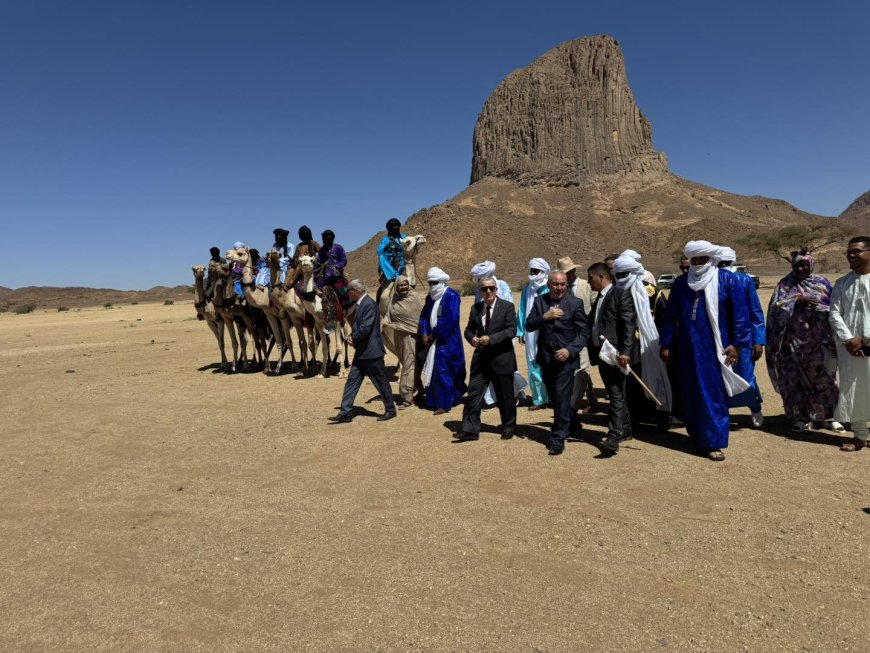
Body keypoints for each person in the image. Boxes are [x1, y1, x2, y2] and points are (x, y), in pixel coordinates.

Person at [660, 241, 751, 461]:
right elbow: (670, 316)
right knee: (691, 393)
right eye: (694, 259)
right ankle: (697, 434)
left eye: (702, 259)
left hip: (716, 349)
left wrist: (737, 344)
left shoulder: (728, 280)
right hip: (687, 349)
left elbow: (741, 316)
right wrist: (666, 344)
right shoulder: (682, 284)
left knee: (713, 394)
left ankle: (714, 442)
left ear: (712, 259)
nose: (698, 263)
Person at [765, 250, 840, 432]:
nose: (800, 268)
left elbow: (834, 308)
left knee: (823, 379)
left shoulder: (822, 283)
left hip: (819, 342)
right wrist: (795, 301)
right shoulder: (785, 285)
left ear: (811, 264)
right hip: (791, 344)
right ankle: (800, 417)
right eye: (797, 265)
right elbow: (774, 310)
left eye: (804, 265)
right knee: (794, 380)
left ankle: (829, 416)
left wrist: (818, 307)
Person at [524, 270, 590, 455]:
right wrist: (545, 317)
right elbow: (528, 325)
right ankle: (573, 423)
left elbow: (583, 332)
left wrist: (570, 350)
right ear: (549, 284)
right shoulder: (540, 302)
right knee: (555, 396)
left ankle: (557, 438)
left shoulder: (575, 303)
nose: (559, 288)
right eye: (556, 284)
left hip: (566, 361)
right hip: (546, 359)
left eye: (563, 284)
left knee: (561, 399)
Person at [612, 253, 673, 432]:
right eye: (619, 275)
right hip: (625, 347)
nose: (622, 279)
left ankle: (662, 416)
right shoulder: (613, 292)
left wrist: (666, 345)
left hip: (651, 345)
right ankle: (634, 420)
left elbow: (665, 319)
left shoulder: (652, 291)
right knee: (630, 385)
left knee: (657, 378)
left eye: (625, 274)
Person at [457, 276, 519, 441]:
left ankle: (508, 426)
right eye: (484, 289)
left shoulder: (507, 307)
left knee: (505, 397)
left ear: (496, 289)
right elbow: (469, 330)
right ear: (480, 291)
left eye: (491, 288)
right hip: (481, 360)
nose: (488, 291)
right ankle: (470, 430)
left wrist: (491, 339)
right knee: (474, 394)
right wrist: (472, 339)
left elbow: (511, 330)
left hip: (502, 358)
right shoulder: (475, 308)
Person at [328, 279, 396, 423]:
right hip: (362, 352)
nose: (347, 293)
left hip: (372, 352)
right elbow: (360, 326)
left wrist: (353, 339)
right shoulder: (362, 304)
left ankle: (390, 409)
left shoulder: (369, 305)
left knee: (380, 381)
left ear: (354, 291)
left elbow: (366, 328)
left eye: (348, 290)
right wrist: (352, 336)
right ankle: (345, 412)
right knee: (352, 381)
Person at [587, 262, 638, 453]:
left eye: (591, 278)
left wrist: (625, 351)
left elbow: (628, 325)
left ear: (601, 277)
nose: (589, 282)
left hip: (614, 354)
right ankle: (626, 429)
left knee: (616, 393)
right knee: (615, 391)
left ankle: (613, 436)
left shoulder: (619, 294)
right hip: (602, 355)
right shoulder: (599, 297)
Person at [829, 236, 870, 452]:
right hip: (850, 348)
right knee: (854, 389)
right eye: (849, 252)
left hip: (865, 343)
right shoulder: (842, 283)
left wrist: (864, 339)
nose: (851, 255)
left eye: (857, 251)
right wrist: (849, 339)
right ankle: (860, 436)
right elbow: (834, 313)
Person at [470, 260, 529, 407]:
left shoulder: (502, 285)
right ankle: (492, 399)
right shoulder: (480, 289)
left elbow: (507, 308)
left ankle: (515, 394)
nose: (487, 290)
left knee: (505, 368)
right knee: (488, 367)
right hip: (485, 337)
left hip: (502, 335)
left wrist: (497, 335)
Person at [718, 246, 766, 427]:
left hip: (743, 340)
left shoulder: (744, 281)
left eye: (724, 263)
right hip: (720, 338)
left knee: (745, 375)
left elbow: (755, 311)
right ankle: (723, 412)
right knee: (722, 376)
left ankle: (755, 408)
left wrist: (759, 340)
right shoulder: (713, 281)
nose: (721, 266)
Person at [420, 267, 467, 414]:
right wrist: (424, 332)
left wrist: (435, 334)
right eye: (430, 283)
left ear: (441, 282)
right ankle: (434, 400)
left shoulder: (451, 295)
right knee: (435, 371)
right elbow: (424, 316)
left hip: (448, 340)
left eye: (434, 282)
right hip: (434, 340)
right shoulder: (430, 297)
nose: (432, 286)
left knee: (444, 370)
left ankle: (444, 403)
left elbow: (450, 318)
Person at [558, 256, 600, 414]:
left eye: (567, 273)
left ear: (573, 271)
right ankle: (590, 399)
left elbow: (595, 306)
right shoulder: (560, 289)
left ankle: (577, 405)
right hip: (567, 336)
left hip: (584, 334)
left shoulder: (586, 285)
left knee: (582, 369)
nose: (565, 277)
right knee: (578, 369)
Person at [517, 258, 551, 410]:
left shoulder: (549, 287)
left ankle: (551, 397)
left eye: (535, 271)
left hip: (547, 332)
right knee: (533, 365)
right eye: (531, 271)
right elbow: (522, 310)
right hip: (531, 333)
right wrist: (520, 331)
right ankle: (538, 399)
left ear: (543, 272)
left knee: (549, 365)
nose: (532, 274)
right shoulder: (527, 289)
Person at [387, 275, 424, 409]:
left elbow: (421, 316)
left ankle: (407, 395)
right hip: (399, 336)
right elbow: (388, 315)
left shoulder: (414, 298)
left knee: (409, 363)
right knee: (407, 362)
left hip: (413, 336)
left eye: (405, 285)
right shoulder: (394, 299)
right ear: (396, 287)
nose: (403, 287)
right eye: (400, 285)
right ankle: (420, 388)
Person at [377, 218, 407, 289]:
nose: (396, 229)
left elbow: (410, 244)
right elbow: (379, 251)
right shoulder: (385, 239)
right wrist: (386, 246)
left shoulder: (403, 237)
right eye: (394, 227)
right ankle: (393, 276)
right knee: (381, 257)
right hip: (389, 263)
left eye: (397, 227)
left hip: (402, 262)